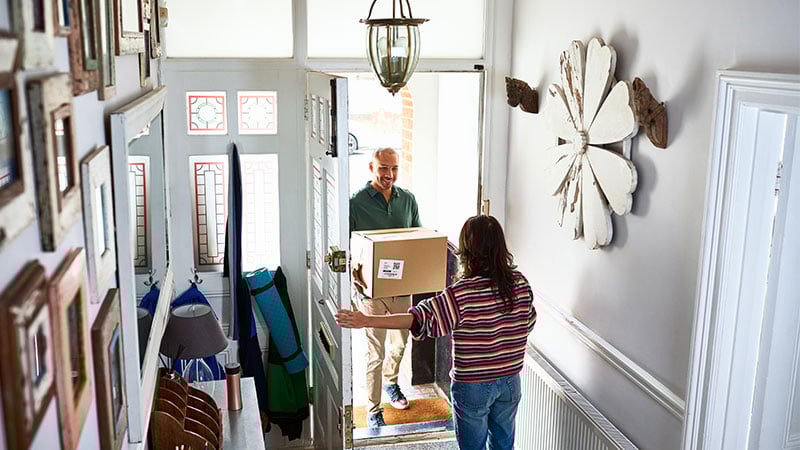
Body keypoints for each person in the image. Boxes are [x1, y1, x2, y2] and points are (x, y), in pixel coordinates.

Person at [336, 215, 536, 450]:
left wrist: (366, 319)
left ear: (467, 250)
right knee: (504, 445)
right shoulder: (520, 284)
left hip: (473, 385)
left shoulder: (461, 294)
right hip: (510, 381)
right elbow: (528, 322)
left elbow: (417, 319)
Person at [349, 147, 421, 428]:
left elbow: (416, 238)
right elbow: (347, 245)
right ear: (371, 167)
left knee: (400, 344)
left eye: (393, 169)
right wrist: (353, 275)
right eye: (383, 168)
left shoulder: (408, 200)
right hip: (370, 290)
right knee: (375, 352)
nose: (389, 175)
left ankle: (391, 382)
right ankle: (373, 407)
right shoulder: (356, 203)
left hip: (402, 288)